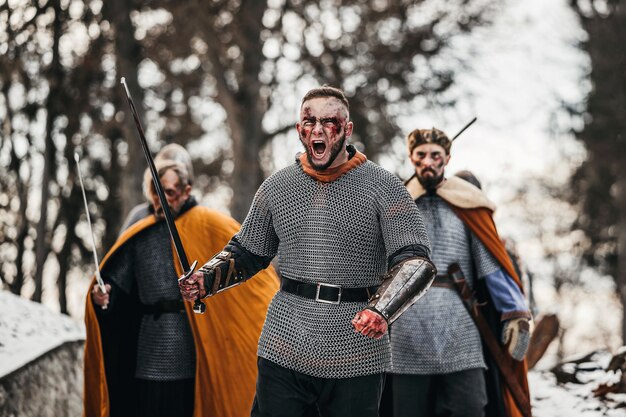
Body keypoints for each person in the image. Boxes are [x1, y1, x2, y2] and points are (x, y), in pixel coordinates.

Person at [179, 86, 436, 417]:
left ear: (346, 129)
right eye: (309, 121)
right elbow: (247, 251)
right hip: (284, 340)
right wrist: (205, 279)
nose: (317, 129)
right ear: (299, 129)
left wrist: (382, 310)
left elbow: (415, 261)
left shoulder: (383, 187)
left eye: (328, 122)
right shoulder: (277, 187)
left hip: (355, 344)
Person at [83, 147, 279, 417]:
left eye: (170, 192)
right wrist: (104, 298)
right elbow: (118, 287)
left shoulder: (211, 225)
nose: (160, 200)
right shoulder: (139, 228)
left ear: (187, 190)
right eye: (156, 192)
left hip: (193, 345)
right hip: (149, 346)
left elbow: (250, 277)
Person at [389, 128, 532, 417]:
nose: (428, 161)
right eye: (421, 155)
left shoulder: (467, 205)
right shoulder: (396, 206)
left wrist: (514, 311)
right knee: (406, 410)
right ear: (412, 158)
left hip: (460, 323)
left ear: (447, 158)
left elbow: (491, 265)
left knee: (469, 407)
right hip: (407, 325)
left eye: (435, 155)